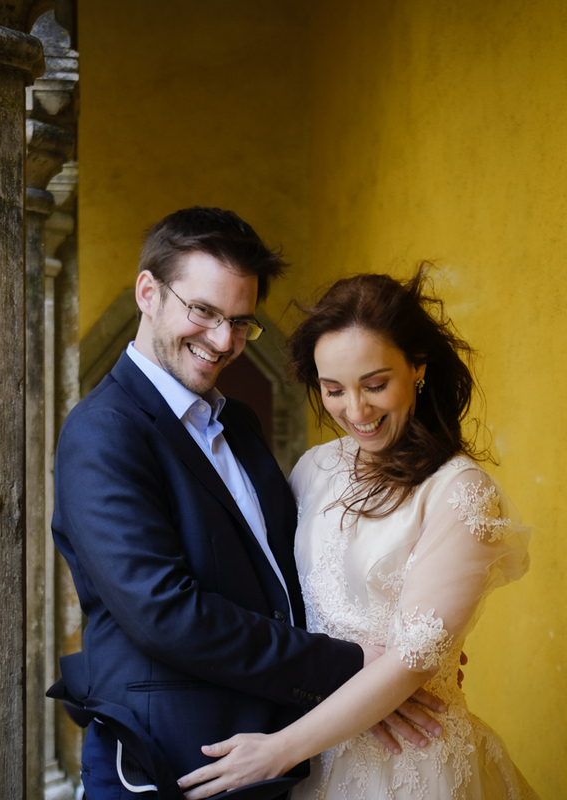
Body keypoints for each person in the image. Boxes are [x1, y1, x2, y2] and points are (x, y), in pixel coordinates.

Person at [48, 209, 445, 800]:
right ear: (148, 293)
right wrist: (348, 667)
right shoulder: (103, 432)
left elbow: (285, 580)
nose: (222, 341)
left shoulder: (237, 421)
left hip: (270, 759)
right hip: (170, 768)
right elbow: (165, 613)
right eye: (203, 312)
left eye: (240, 321)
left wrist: (385, 675)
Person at [177, 271, 539, 800]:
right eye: (333, 390)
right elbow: (281, 602)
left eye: (375, 385)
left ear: (417, 368)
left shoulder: (460, 491)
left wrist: (277, 750)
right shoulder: (314, 468)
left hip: (412, 763)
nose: (356, 411)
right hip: (314, 755)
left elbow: (413, 658)